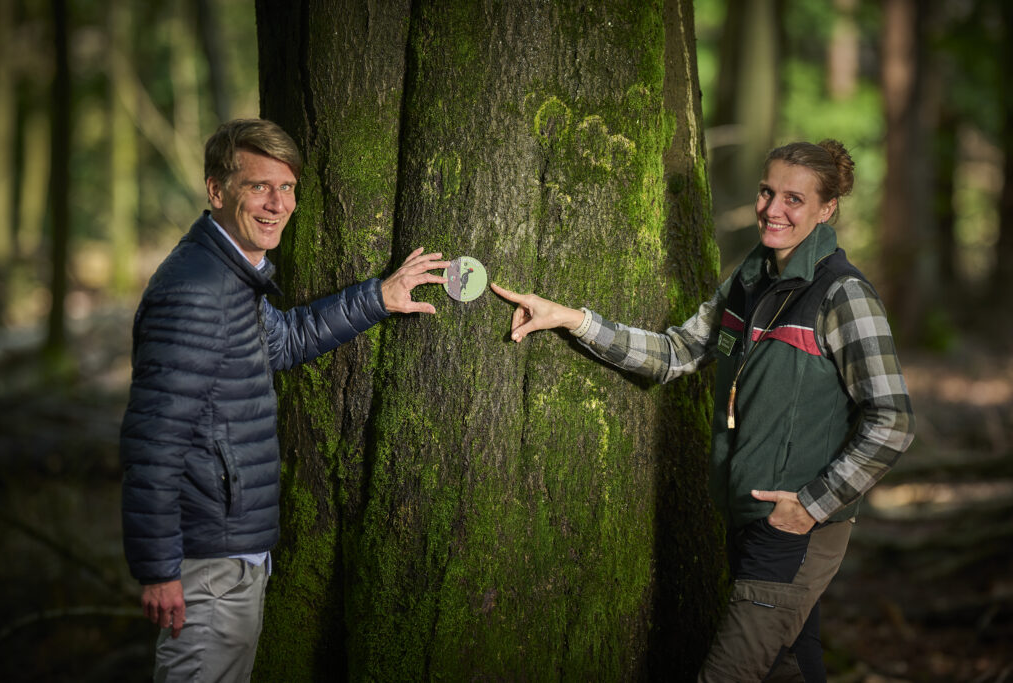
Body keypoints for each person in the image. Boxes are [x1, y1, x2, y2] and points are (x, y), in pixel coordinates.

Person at [491, 140, 914, 682]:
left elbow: (894, 420)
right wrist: (572, 320)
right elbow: (676, 352)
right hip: (746, 519)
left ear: (827, 209)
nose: (772, 210)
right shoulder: (749, 281)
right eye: (766, 192)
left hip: (795, 529)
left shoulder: (843, 294)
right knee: (788, 669)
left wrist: (810, 505)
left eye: (794, 199)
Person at [120, 118, 449, 681]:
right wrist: (158, 570)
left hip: (233, 552)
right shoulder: (198, 291)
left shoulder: (229, 276)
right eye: (258, 186)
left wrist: (380, 297)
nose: (277, 204)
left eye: (288, 187)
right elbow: (153, 438)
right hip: (207, 564)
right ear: (217, 190)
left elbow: (284, 341)